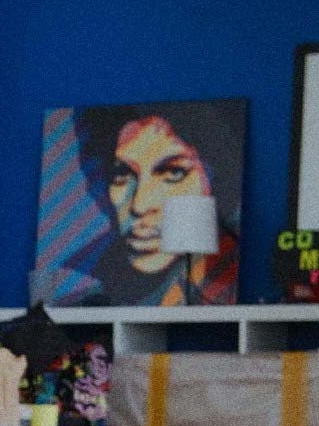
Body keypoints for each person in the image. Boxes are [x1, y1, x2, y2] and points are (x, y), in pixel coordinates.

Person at [58, 101, 241, 305]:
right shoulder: (73, 284)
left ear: (216, 179)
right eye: (122, 174)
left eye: (174, 172)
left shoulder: (234, 271)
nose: (140, 205)